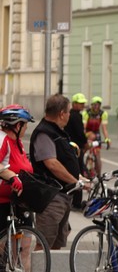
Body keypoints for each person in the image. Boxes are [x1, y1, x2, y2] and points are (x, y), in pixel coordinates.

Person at [0, 105, 42, 272]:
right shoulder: (2, 140)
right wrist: (11, 177)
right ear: (17, 125)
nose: (26, 128)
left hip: (20, 202)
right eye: (24, 125)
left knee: (24, 249)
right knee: (1, 253)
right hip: (2, 202)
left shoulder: (19, 144)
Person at [29, 95, 85, 250]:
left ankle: (51, 267)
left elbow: (64, 160)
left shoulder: (58, 132)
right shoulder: (44, 133)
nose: (69, 115)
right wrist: (75, 181)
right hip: (51, 197)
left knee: (57, 243)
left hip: (63, 196)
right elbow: (52, 164)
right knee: (44, 244)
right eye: (68, 112)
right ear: (61, 114)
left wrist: (79, 177)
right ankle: (41, 267)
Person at [64, 93, 89, 208]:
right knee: (78, 171)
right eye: (80, 103)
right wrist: (85, 142)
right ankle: (77, 202)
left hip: (69, 146)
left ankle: (73, 199)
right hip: (76, 148)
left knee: (72, 171)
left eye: (83, 103)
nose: (82, 105)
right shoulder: (76, 116)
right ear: (74, 104)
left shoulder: (69, 114)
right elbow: (80, 132)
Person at [82, 96, 110, 175]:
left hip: (96, 133)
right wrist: (83, 137)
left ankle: (98, 174)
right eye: (94, 105)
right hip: (87, 132)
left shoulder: (103, 113)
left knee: (97, 154)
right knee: (83, 150)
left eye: (98, 105)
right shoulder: (86, 113)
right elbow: (84, 127)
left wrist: (107, 139)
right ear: (91, 105)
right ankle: (81, 164)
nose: (96, 107)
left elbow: (104, 128)